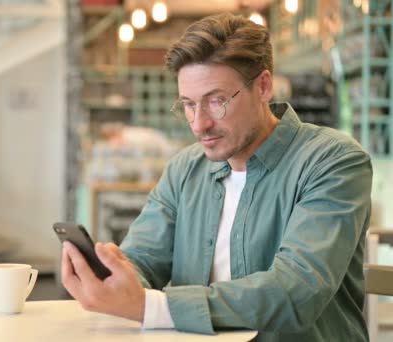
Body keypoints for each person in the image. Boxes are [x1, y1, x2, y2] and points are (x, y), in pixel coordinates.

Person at [61, 12, 372, 341]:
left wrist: (150, 307)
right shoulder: (185, 169)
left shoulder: (333, 162)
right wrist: (114, 277)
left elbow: (296, 291)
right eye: (189, 105)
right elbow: (143, 259)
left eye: (216, 101)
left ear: (263, 86)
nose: (198, 124)